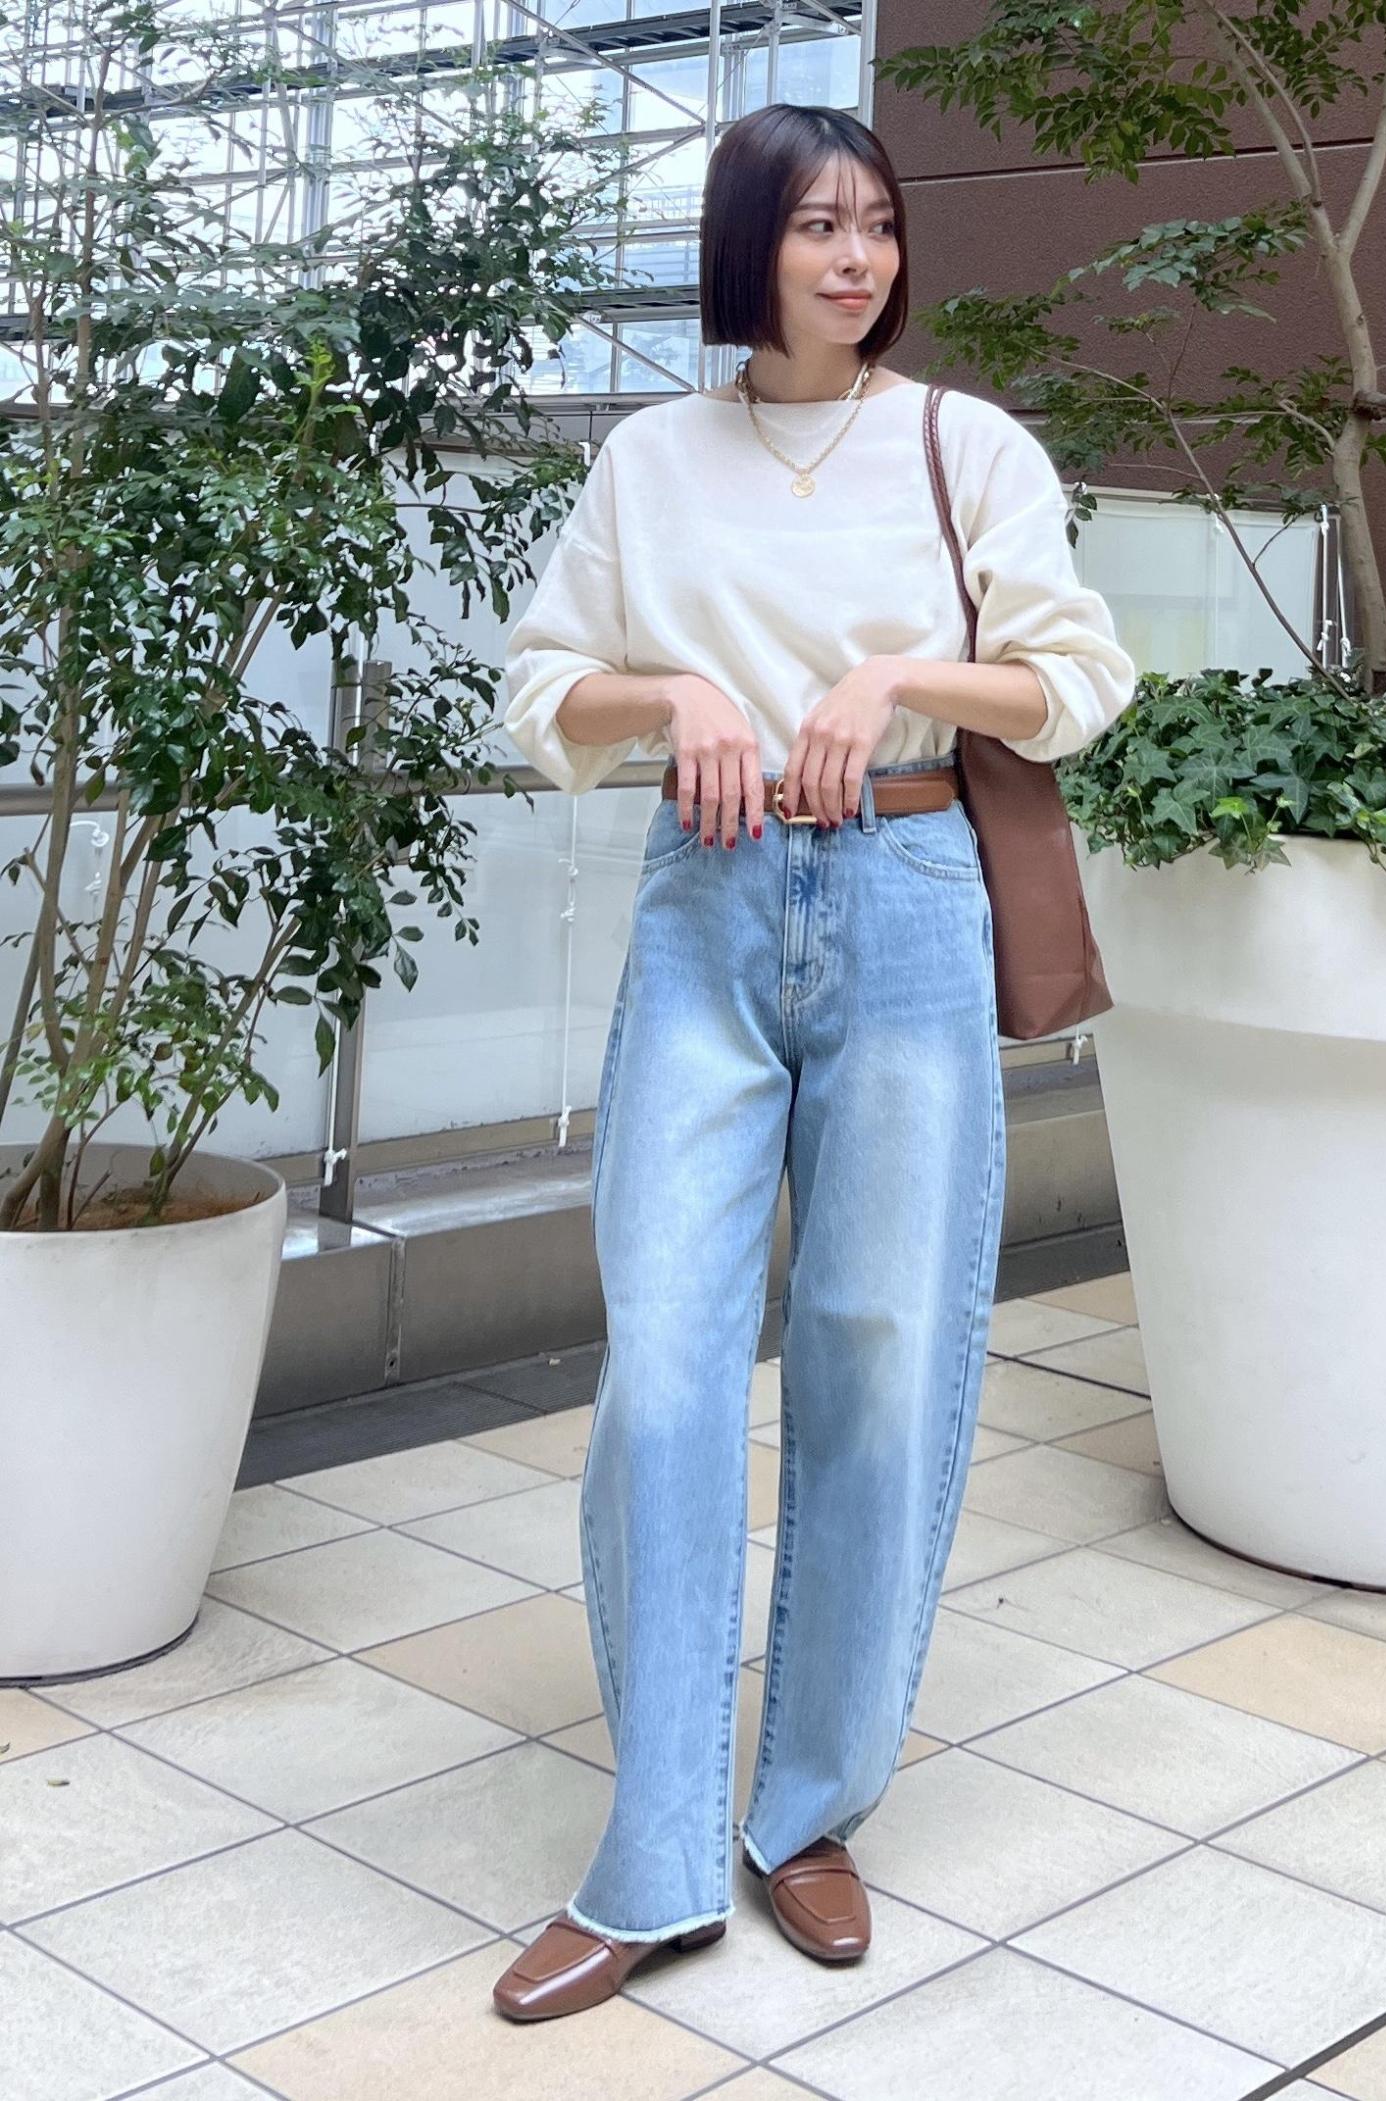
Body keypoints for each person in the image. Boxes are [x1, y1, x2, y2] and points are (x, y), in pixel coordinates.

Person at [491, 102, 1136, 2023]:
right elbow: (541, 693)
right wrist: (677, 692)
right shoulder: (650, 459)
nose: (857, 260)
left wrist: (897, 677)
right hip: (707, 901)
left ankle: (809, 1807)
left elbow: (1078, 681)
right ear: (746, 245)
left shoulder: (966, 444)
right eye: (816, 228)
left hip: (913, 896)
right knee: (667, 1372)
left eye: (879, 227)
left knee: (880, 1351)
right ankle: (656, 1851)